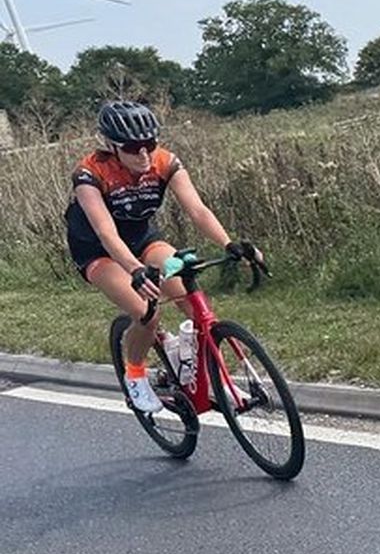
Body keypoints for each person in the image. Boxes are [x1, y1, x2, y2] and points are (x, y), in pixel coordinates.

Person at [66, 101, 262, 412]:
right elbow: (107, 234)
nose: (143, 153)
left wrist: (228, 243)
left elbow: (197, 210)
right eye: (132, 147)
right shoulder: (90, 174)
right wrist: (135, 270)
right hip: (97, 251)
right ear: (111, 146)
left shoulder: (165, 162)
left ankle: (211, 373)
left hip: (143, 240)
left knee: (190, 294)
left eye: (150, 143)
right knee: (147, 312)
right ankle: (135, 376)